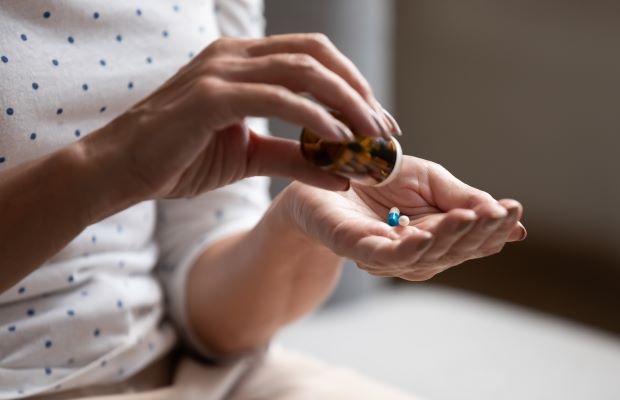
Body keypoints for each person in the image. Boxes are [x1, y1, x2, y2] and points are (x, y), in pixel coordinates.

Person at [0, 1, 526, 399]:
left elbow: (217, 325)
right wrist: (105, 169)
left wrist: (299, 221)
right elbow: (115, 164)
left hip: (190, 378)